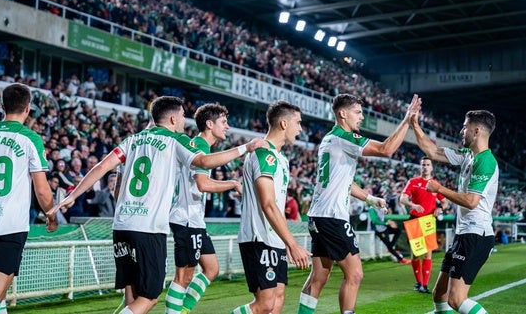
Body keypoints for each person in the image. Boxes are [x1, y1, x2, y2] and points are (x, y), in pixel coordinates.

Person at [48, 96, 266, 314]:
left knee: (131, 298)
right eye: (182, 116)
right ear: (172, 118)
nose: (184, 121)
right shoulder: (176, 139)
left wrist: (73, 195)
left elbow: (103, 168)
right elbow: (203, 162)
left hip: (122, 225)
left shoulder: (131, 141)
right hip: (149, 227)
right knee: (149, 298)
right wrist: (246, 147)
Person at [297, 93, 421, 314]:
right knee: (354, 274)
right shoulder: (343, 137)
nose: (362, 117)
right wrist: (407, 120)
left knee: (319, 277)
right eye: (358, 112)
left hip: (319, 216)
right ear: (343, 114)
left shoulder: (329, 139)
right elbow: (386, 149)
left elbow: (343, 181)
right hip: (332, 216)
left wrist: (370, 199)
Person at [0, 83, 58, 314]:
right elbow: (42, 189)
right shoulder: (30, 139)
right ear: (28, 108)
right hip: (11, 225)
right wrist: (52, 214)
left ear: (2, 106)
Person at [411, 109, 498, 314]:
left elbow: (471, 201)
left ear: (476, 131)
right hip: (464, 234)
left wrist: (439, 189)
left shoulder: (485, 161)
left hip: (475, 235)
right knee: (439, 295)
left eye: (465, 127)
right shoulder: (468, 155)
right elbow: (432, 152)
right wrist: (413, 123)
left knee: (456, 299)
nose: (461, 131)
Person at [231, 100, 311, 314]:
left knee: (277, 300)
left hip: (273, 238)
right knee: (265, 303)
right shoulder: (263, 155)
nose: (301, 129)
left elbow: (277, 204)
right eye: (298, 123)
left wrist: (283, 240)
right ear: (284, 124)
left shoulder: (281, 159)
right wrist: (292, 243)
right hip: (258, 237)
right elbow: (267, 204)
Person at [165, 103, 243, 314]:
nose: (227, 127)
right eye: (223, 122)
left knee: (211, 268)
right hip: (186, 219)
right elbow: (204, 184)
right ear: (210, 124)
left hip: (195, 220)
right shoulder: (199, 145)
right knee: (184, 275)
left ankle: (183, 310)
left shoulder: (202, 146)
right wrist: (233, 184)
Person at [399, 157, 448, 293]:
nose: (425, 167)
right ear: (420, 167)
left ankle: (425, 285)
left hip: (428, 221)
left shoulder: (435, 184)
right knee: (416, 254)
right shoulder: (413, 182)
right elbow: (402, 198)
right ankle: (418, 282)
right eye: (423, 165)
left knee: (427, 254)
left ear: (432, 168)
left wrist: (440, 208)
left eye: (428, 165)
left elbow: (445, 202)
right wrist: (413, 204)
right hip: (415, 219)